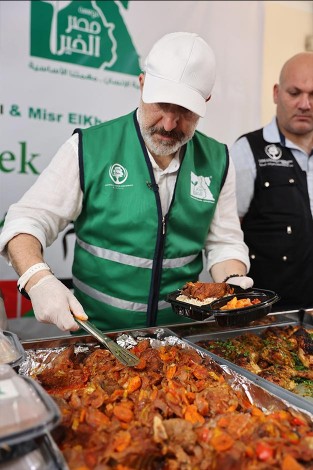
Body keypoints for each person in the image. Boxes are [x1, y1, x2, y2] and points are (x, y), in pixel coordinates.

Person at [0, 32, 252, 333]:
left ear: (205, 102)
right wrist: (37, 277)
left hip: (180, 342)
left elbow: (224, 243)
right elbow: (25, 221)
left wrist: (231, 280)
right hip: (96, 337)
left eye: (185, 111)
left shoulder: (218, 160)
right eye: (161, 104)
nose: (169, 124)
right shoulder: (89, 148)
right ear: (142, 83)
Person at [230, 52, 313, 312]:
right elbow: (227, 231)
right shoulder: (248, 150)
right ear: (277, 93)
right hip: (265, 316)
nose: (305, 104)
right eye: (295, 92)